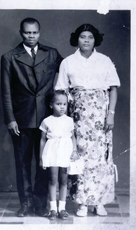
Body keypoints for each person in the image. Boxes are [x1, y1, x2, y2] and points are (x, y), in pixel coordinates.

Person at [55, 23, 121, 217]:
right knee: (79, 155)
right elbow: (61, 90)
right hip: (78, 115)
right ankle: (82, 203)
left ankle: (99, 202)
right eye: (82, 36)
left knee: (101, 157)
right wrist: (65, 116)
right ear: (77, 39)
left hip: (101, 115)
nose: (86, 40)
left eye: (90, 37)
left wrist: (111, 114)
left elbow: (113, 89)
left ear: (95, 40)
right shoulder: (68, 62)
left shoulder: (105, 60)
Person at [1, 17, 63, 217]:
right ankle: (25, 204)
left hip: (47, 119)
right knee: (23, 163)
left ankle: (40, 205)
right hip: (21, 118)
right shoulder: (10, 57)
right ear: (21, 33)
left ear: (39, 32)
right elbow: (6, 92)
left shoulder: (51, 54)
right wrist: (10, 118)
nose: (31, 36)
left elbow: (70, 70)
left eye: (35, 32)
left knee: (44, 162)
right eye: (27, 32)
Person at [39, 90, 78, 220]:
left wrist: (74, 151)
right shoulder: (47, 121)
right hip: (52, 153)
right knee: (52, 180)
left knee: (64, 181)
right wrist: (41, 157)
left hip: (65, 153)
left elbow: (73, 138)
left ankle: (62, 208)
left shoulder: (69, 121)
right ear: (51, 105)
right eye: (58, 104)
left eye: (64, 104)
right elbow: (43, 140)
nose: (62, 107)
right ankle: (52, 209)